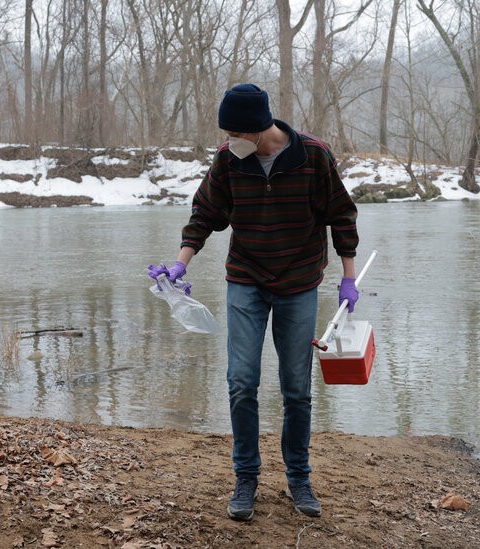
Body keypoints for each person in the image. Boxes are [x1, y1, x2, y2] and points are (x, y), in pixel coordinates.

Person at [148, 83, 360, 521]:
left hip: (299, 282)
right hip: (246, 279)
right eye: (226, 134)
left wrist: (348, 278)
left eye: (234, 133)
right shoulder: (229, 160)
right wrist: (180, 263)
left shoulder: (313, 156)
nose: (229, 140)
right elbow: (205, 213)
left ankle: (299, 477)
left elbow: (341, 215)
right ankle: (246, 477)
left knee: (296, 388)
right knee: (241, 381)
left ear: (259, 129)